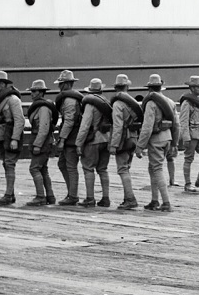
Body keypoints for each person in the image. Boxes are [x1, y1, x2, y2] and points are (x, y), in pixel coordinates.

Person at [136, 74, 176, 211]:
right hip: (168, 138)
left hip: (156, 139)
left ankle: (166, 202)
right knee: (152, 168)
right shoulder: (170, 102)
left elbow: (147, 127)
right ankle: (154, 200)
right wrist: (175, 143)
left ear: (149, 89)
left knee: (157, 169)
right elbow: (176, 124)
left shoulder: (151, 104)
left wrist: (140, 146)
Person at [0, 71, 25, 206]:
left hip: (10, 136)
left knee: (9, 164)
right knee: (6, 164)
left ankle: (9, 195)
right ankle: (10, 193)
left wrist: (15, 139)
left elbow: (19, 120)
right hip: (3, 137)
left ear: (3, 84)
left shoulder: (13, 100)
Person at [74, 78, 112, 207]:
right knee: (103, 169)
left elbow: (85, 125)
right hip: (106, 138)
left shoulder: (90, 104)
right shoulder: (106, 102)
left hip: (93, 140)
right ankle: (106, 197)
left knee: (88, 168)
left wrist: (78, 143)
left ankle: (90, 198)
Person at [109, 74, 143, 210]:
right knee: (127, 168)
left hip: (123, 140)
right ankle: (127, 198)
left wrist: (113, 145)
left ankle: (130, 199)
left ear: (116, 87)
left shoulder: (117, 104)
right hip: (133, 138)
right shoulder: (132, 103)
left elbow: (117, 126)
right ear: (127, 86)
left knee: (122, 169)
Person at [23, 79, 57, 206]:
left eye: (35, 91)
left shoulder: (42, 108)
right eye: (32, 91)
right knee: (43, 169)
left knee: (34, 168)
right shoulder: (40, 106)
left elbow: (44, 128)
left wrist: (37, 144)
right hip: (43, 141)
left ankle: (40, 196)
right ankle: (50, 196)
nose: (32, 94)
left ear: (41, 93)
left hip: (42, 142)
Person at [54, 69, 84, 205]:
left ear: (66, 84)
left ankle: (73, 195)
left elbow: (69, 120)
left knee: (70, 166)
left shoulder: (69, 100)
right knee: (62, 164)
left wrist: (62, 139)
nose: (59, 86)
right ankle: (71, 193)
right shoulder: (70, 98)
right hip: (71, 136)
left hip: (71, 137)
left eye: (61, 83)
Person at [178, 76, 199, 192]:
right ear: (192, 88)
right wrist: (185, 137)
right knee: (188, 159)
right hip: (192, 133)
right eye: (198, 87)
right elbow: (183, 121)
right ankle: (187, 184)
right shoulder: (187, 103)